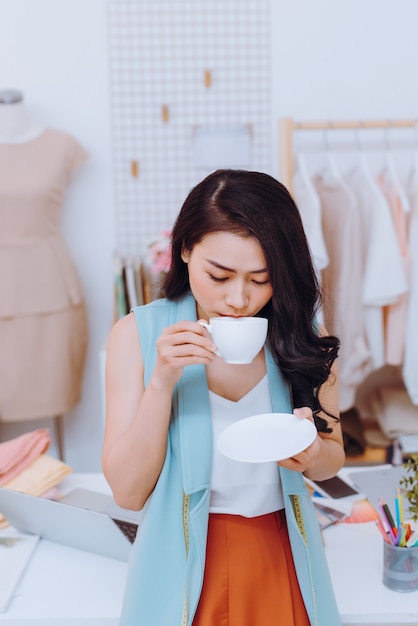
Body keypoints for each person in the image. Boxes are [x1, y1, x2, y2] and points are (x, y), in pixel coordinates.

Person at [103, 169, 344, 626]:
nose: (239, 299)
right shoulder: (136, 335)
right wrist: (162, 382)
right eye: (220, 275)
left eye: (261, 279)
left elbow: (334, 458)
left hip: (283, 550)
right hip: (180, 555)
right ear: (185, 249)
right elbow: (128, 494)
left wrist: (311, 454)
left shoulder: (302, 336)